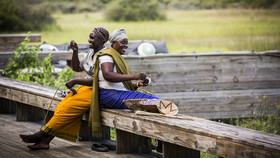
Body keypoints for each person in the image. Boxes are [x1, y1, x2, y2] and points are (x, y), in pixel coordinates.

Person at [19, 27, 110, 150]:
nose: (89, 40)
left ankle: (40, 135)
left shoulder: (104, 56)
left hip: (97, 91)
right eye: (89, 37)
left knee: (68, 108)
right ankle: (45, 141)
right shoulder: (91, 53)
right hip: (86, 89)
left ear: (101, 40)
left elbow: (99, 80)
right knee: (62, 107)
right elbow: (77, 68)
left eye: (92, 38)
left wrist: (75, 80)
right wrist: (75, 51)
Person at [89, 28, 160, 137]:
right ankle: (159, 140)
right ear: (113, 43)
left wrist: (137, 84)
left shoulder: (114, 55)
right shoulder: (107, 56)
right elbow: (107, 75)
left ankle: (156, 140)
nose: (125, 45)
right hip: (109, 95)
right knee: (155, 102)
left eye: (127, 43)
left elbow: (120, 83)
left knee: (155, 102)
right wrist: (134, 76)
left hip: (113, 94)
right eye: (123, 42)